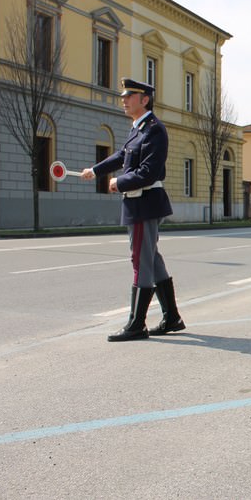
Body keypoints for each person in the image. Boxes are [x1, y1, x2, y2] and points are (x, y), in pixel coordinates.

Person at [82, 78, 186, 342]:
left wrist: (118, 181)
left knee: (140, 259)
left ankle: (136, 324)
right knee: (151, 258)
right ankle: (172, 317)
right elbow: (121, 156)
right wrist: (95, 171)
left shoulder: (154, 130)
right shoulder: (138, 130)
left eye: (130, 95)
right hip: (139, 203)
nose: (124, 100)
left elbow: (148, 172)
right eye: (123, 96)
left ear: (145, 99)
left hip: (144, 203)